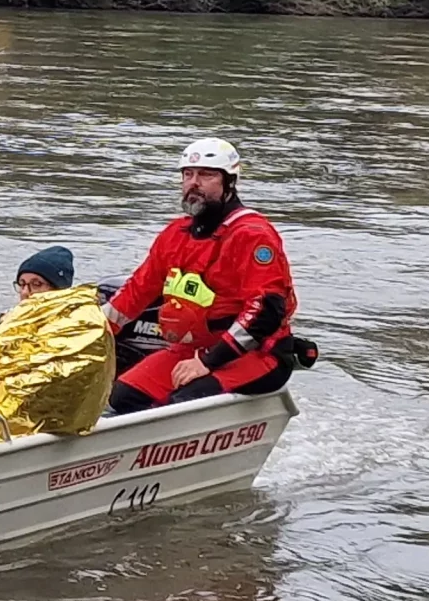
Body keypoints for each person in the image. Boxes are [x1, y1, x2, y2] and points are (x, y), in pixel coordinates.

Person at [103, 137, 301, 417]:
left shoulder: (252, 235)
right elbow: (135, 293)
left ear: (229, 182)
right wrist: (90, 332)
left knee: (183, 404)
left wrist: (208, 361)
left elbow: (265, 311)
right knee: (121, 397)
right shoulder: (175, 235)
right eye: (188, 174)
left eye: (206, 175)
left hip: (255, 355)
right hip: (191, 349)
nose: (194, 182)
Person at [0, 244, 113, 437]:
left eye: (36, 284)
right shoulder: (8, 320)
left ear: (57, 289)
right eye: (22, 284)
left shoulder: (79, 326)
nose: (26, 292)